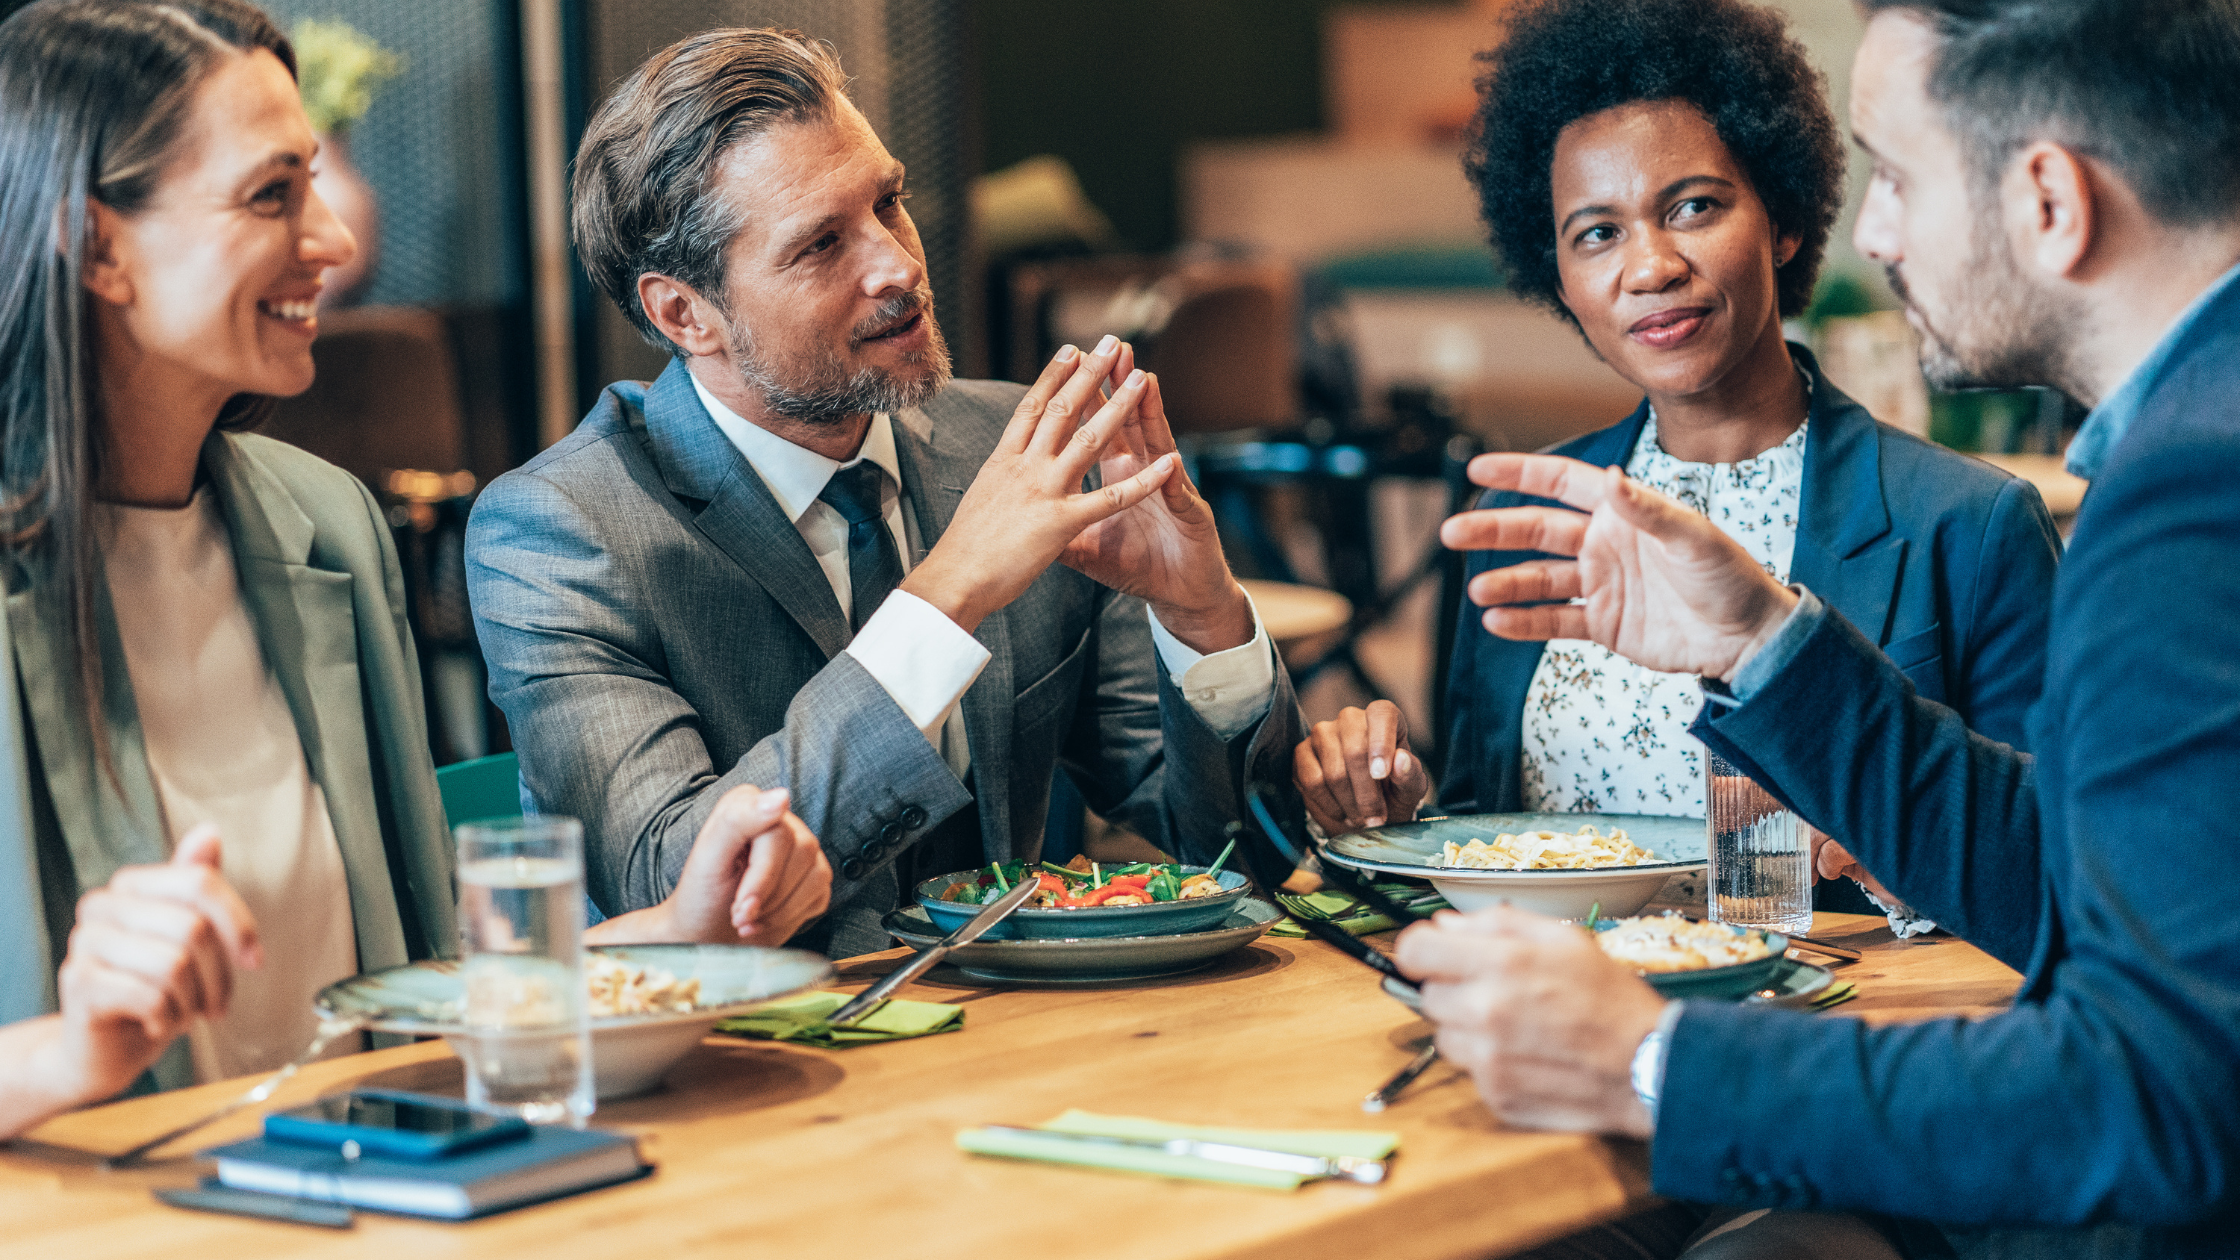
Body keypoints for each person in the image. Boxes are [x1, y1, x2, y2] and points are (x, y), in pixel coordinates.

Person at [1395, 0, 2240, 1254]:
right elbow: (2074, 872)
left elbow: (2161, 1101)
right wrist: (1765, 645)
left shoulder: (2190, 500)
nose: (1873, 232)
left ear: (2050, 201)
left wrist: (1654, 1064)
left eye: (1895, 176)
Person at [0, 0, 829, 1143]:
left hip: (368, 1198)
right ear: (93, 243)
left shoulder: (323, 524)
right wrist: (65, 1053)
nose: (335, 243)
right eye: (270, 193)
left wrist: (683, 926)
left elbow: (420, 993)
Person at [465, 28, 1303, 960]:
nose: (899, 265)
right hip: (742, 1074)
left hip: (1018, 1049)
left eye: (889, 203)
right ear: (683, 313)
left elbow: (1237, 855)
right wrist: (948, 595)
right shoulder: (561, 530)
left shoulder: (1011, 446)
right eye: (822, 244)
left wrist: (1202, 618)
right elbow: (678, 882)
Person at [1293, 0, 2059, 927]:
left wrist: (1898, 860)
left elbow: (2058, 873)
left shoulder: (1969, 526)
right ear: (1561, 282)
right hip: (1551, 1019)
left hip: (1829, 1027)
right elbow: (1484, 825)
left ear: (1781, 221)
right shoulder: (1525, 519)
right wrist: (1403, 808)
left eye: (1693, 207)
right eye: (1597, 233)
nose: (1649, 267)